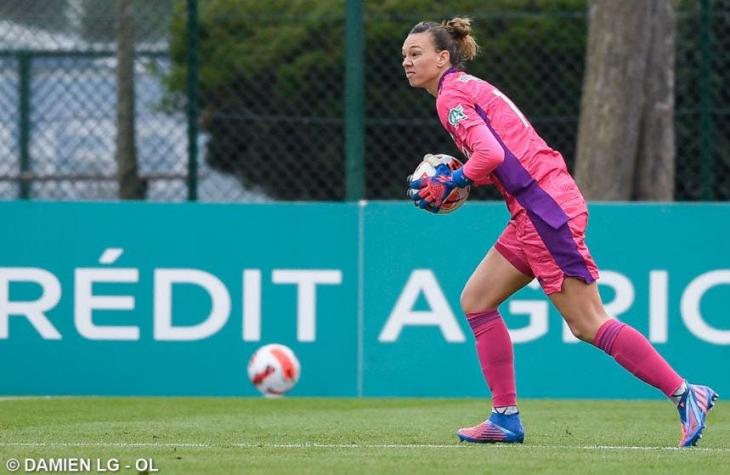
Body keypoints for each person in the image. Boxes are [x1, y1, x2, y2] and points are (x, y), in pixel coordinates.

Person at [402, 17, 717, 447]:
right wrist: (464, 175)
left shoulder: (452, 96)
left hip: (543, 209)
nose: (407, 61)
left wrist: (456, 182)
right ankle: (505, 418)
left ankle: (686, 394)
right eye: (404, 55)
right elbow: (500, 153)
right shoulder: (467, 88)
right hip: (536, 206)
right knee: (477, 301)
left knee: (588, 323)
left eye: (416, 53)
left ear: (443, 58)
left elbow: (490, 153)